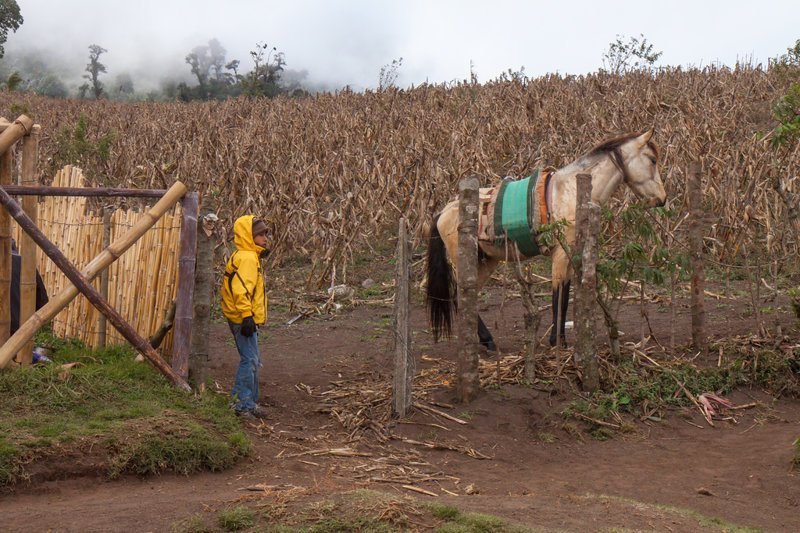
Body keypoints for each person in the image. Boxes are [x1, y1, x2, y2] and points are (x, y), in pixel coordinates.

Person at [220, 215, 270, 419]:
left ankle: (249, 402)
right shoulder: (248, 258)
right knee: (249, 360)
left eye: (266, 233)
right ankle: (241, 405)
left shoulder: (246, 255)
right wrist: (247, 317)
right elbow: (241, 290)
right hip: (242, 318)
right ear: (249, 236)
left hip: (240, 316)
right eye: (260, 234)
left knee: (253, 360)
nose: (265, 238)